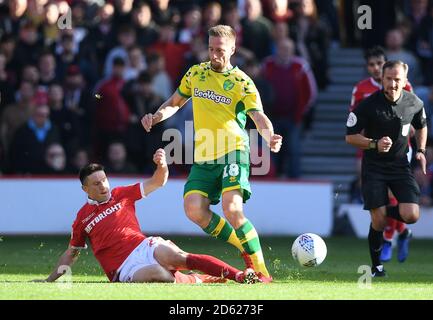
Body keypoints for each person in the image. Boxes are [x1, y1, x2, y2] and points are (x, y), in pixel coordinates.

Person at [141, 25, 282, 283]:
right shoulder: (196, 73)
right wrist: (157, 116)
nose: (214, 55)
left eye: (220, 50)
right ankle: (244, 246)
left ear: (232, 49)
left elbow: (258, 117)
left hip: (233, 152)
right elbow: (174, 103)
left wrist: (269, 136)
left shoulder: (242, 83)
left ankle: (261, 271)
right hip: (204, 157)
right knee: (193, 209)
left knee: (232, 208)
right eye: (211, 49)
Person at [34, 149, 260, 284]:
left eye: (104, 180)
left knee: (178, 256)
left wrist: (162, 165)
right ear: (85, 189)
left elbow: (157, 182)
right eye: (96, 183)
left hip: (143, 246)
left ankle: (240, 276)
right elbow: (72, 253)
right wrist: (49, 280)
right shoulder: (82, 218)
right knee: (158, 273)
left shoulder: (122, 194)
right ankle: (198, 280)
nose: (103, 186)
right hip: (122, 268)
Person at [345, 60, 428, 277]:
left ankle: (379, 213)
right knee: (379, 222)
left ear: (405, 81)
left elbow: (422, 125)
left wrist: (420, 150)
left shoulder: (414, 102)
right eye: (389, 79)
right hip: (374, 167)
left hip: (400, 167)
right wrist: (373, 143)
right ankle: (376, 268)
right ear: (382, 79)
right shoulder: (368, 104)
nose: (393, 83)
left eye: (397, 79)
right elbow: (350, 136)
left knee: (411, 215)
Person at [350, 46, 413, 263]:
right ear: (367, 68)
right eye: (371, 64)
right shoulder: (361, 90)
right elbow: (354, 121)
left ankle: (388, 238)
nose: (376, 68)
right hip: (373, 147)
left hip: (399, 151)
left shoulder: (404, 85)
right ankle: (402, 231)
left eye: (379, 63)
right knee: (380, 199)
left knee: (392, 196)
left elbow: (413, 118)